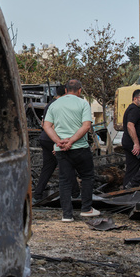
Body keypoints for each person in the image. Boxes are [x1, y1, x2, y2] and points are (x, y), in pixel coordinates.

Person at [43, 79, 103, 222]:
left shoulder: (54, 104)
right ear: (80, 90)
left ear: (65, 90)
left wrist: (59, 142)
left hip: (61, 150)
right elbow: (86, 126)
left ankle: (67, 215)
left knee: (64, 181)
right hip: (80, 148)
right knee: (87, 176)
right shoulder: (83, 103)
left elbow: (47, 126)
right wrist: (72, 141)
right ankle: (86, 208)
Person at [32, 86, 65, 203]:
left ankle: (37, 194)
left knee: (48, 167)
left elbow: (43, 123)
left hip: (45, 138)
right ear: (66, 92)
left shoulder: (49, 104)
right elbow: (55, 125)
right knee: (66, 164)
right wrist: (58, 142)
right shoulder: (59, 105)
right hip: (53, 138)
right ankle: (75, 193)